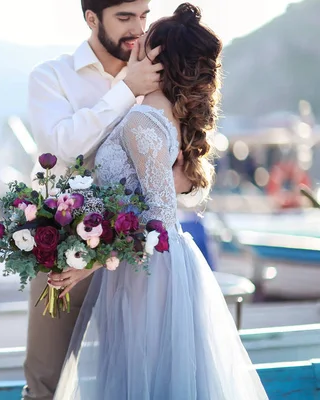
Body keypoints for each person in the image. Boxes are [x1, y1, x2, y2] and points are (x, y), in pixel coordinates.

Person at [50, 4, 268, 399]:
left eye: (144, 46)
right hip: (151, 267)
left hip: (147, 275)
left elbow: (159, 221)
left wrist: (89, 265)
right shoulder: (162, 117)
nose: (134, 48)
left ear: (159, 61)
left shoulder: (140, 122)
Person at [23, 0, 196, 398]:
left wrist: (183, 182)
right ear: (91, 18)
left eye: (143, 16)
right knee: (45, 382)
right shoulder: (51, 77)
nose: (137, 28)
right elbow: (62, 150)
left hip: (141, 264)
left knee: (139, 384)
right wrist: (127, 90)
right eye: (124, 18)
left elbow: (190, 174)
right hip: (66, 249)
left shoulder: (162, 75)